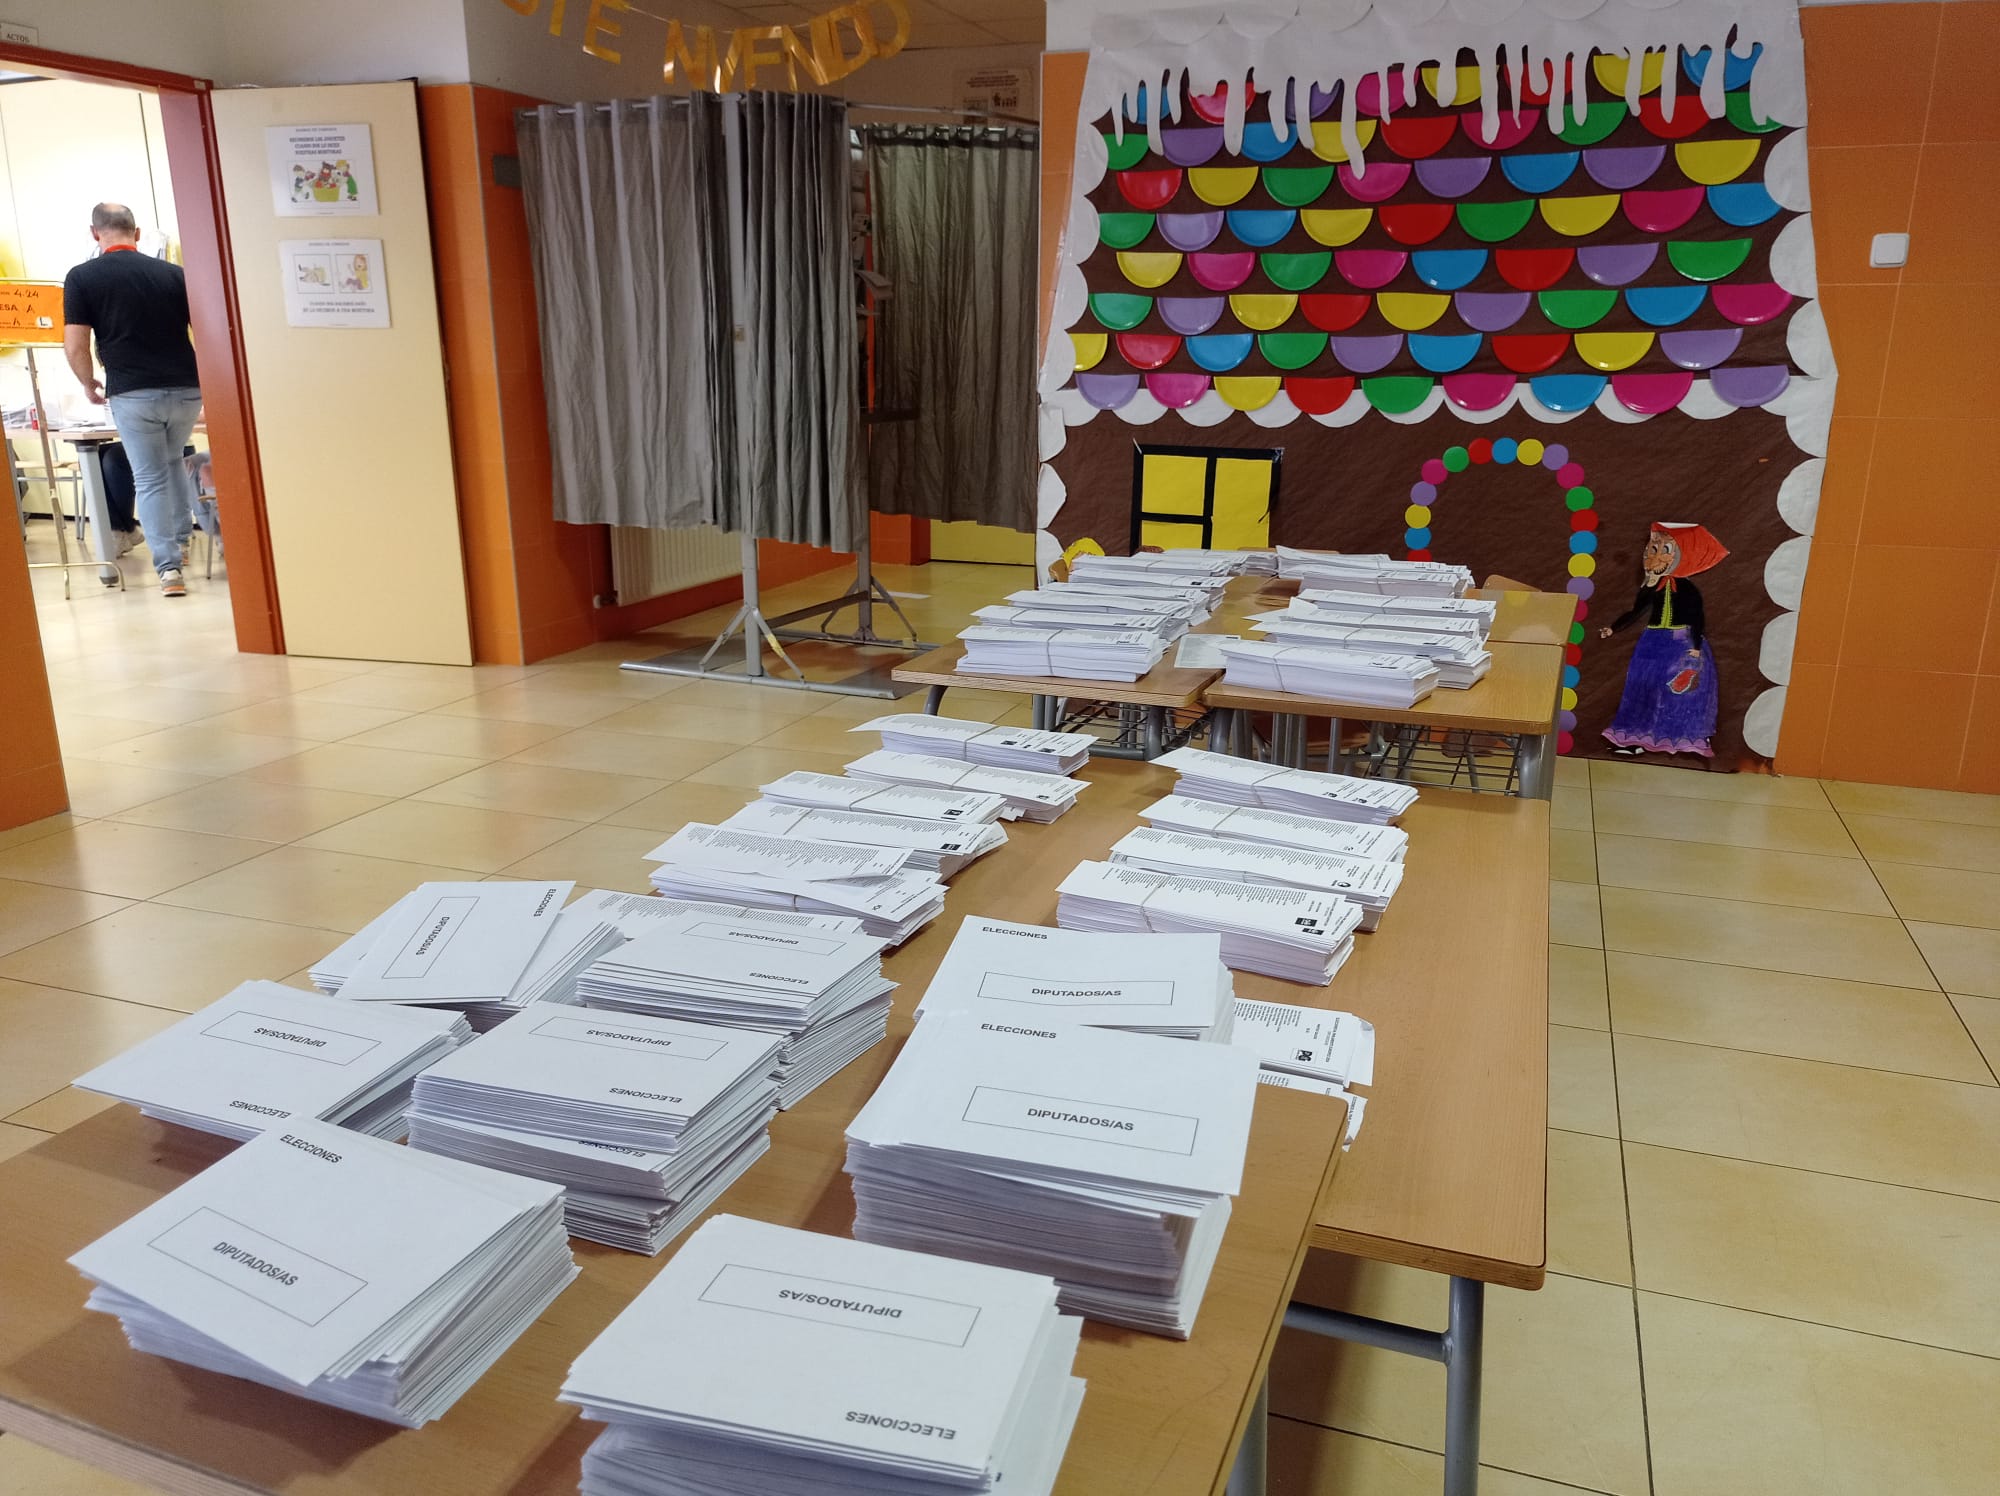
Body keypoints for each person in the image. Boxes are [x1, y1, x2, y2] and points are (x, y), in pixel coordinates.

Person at [62, 202, 204, 597]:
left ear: (95, 234)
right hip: (187, 388)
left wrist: (89, 383)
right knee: (172, 459)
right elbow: (206, 332)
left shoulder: (82, 277)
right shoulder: (175, 275)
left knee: (150, 476)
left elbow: (75, 343)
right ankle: (182, 540)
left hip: (133, 390)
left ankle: (169, 568)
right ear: (137, 233)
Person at [1598, 521, 1728, 758]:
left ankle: (1683, 740)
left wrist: (1696, 648)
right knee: (1642, 688)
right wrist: (1613, 629)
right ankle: (1636, 738)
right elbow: (1635, 612)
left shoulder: (1688, 590)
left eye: (1664, 550)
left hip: (1682, 645)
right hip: (1652, 644)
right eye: (1652, 549)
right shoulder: (1652, 588)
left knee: (1682, 693)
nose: (1653, 555)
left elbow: (1697, 618)